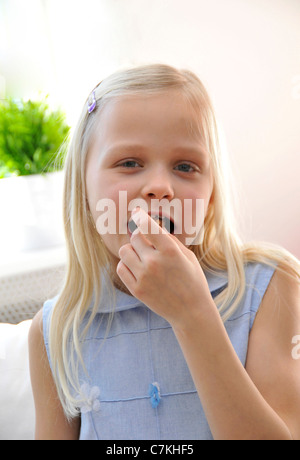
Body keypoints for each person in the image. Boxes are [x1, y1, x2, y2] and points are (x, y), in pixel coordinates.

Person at [28, 64, 300, 440]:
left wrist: (193, 314)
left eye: (185, 167)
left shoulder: (271, 286)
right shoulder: (57, 329)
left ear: (210, 197)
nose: (159, 187)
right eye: (129, 163)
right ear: (83, 191)